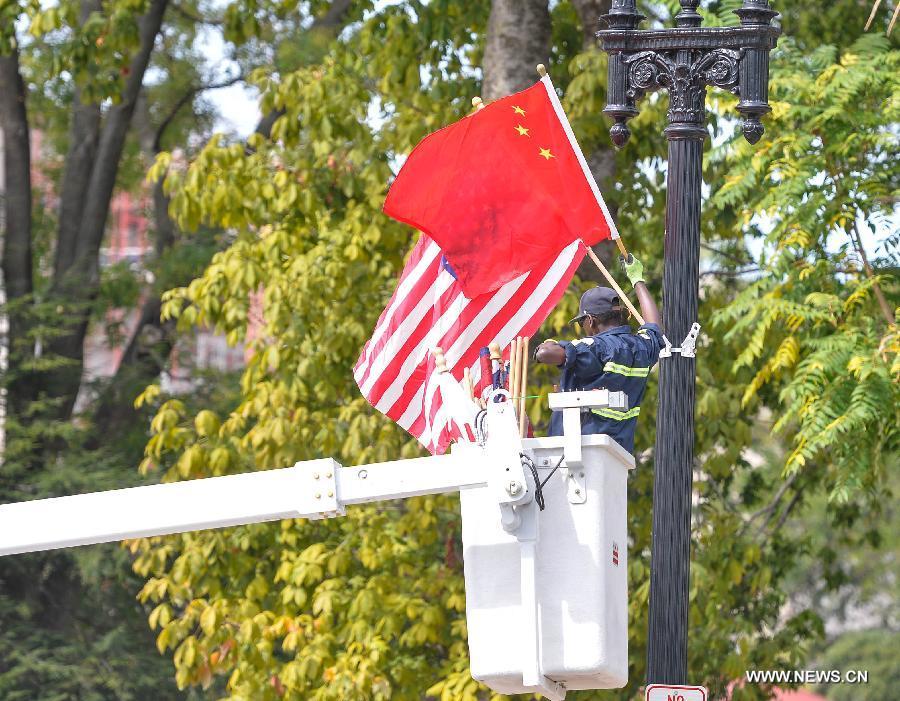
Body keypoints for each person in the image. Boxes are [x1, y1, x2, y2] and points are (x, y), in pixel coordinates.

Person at [534, 254, 664, 456]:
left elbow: (544, 354)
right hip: (617, 458)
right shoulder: (642, 347)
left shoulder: (595, 347)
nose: (582, 328)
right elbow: (654, 326)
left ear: (591, 321)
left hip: (579, 456)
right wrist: (637, 280)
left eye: (581, 322)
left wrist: (547, 344)